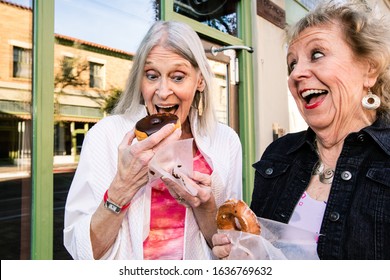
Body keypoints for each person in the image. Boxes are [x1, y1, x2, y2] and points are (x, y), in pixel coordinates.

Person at [212, 0, 390, 259]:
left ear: (369, 68)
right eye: (292, 64)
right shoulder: (278, 154)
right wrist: (239, 251)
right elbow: (259, 248)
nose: (296, 74)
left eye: (317, 55)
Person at [63, 20, 242, 260]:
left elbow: (226, 248)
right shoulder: (105, 136)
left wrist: (204, 206)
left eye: (178, 77)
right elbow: (82, 251)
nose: (163, 91)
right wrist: (121, 189)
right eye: (152, 75)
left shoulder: (226, 141)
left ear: (199, 80)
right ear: (140, 79)